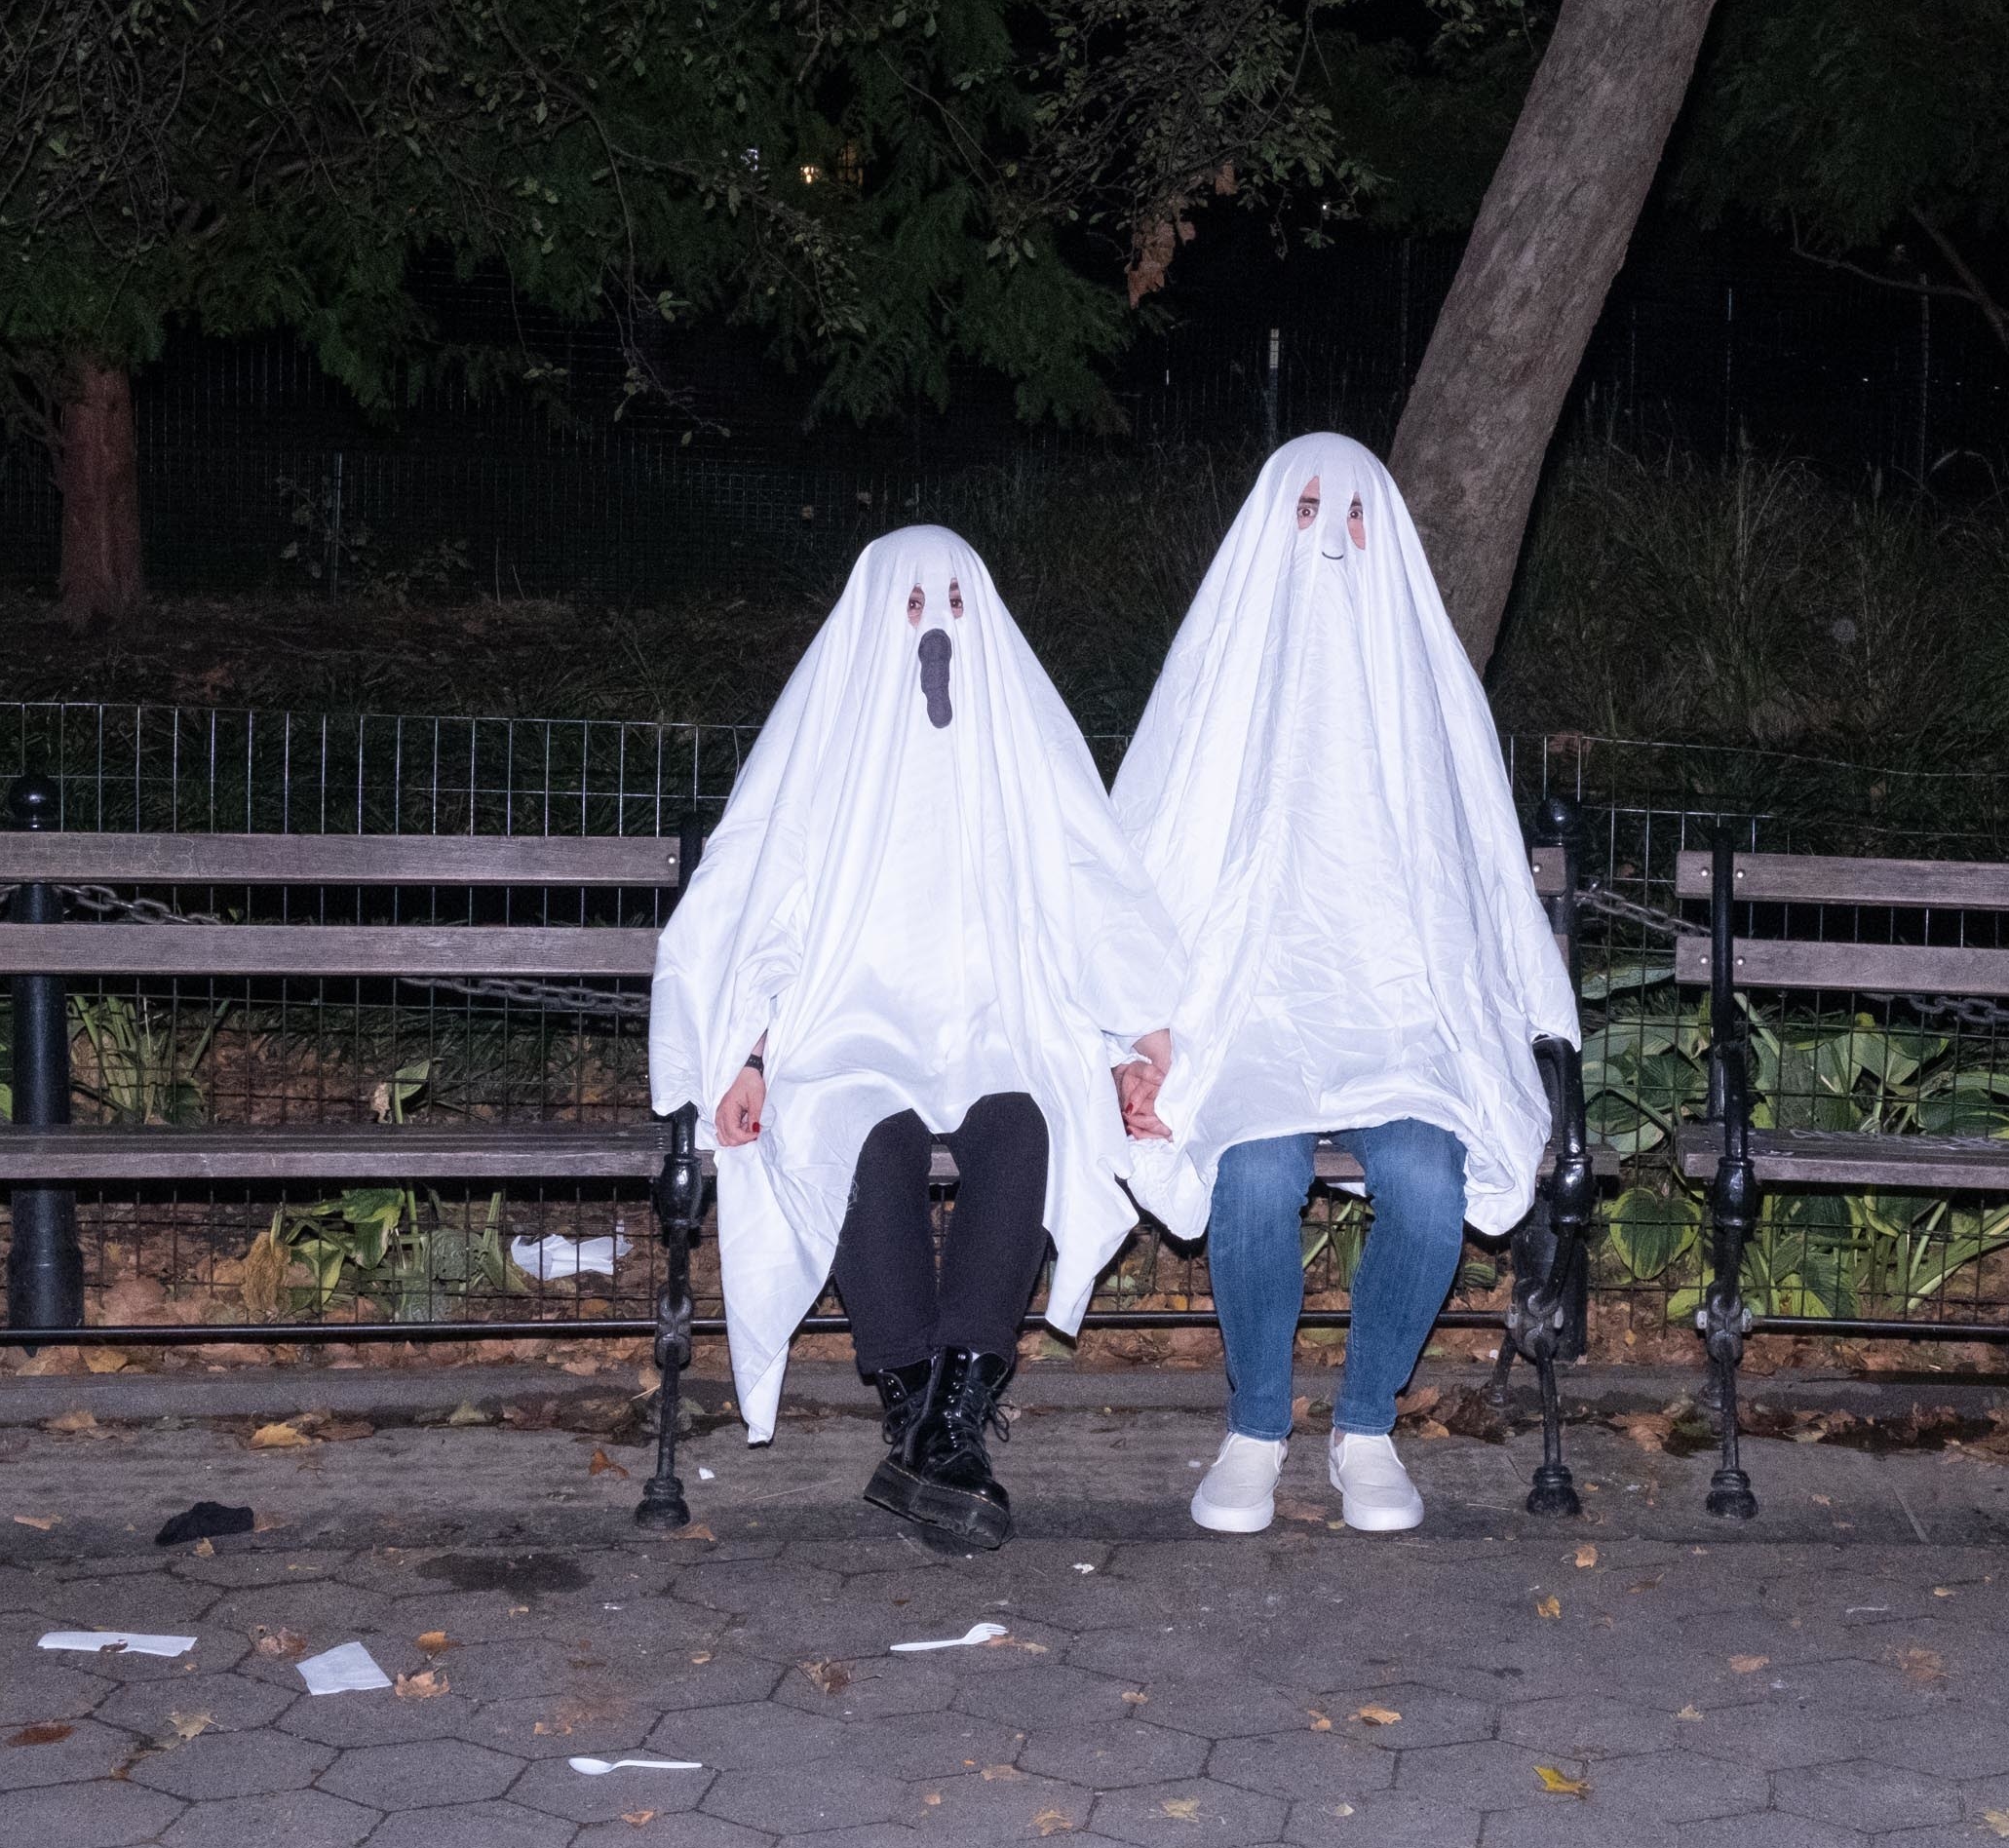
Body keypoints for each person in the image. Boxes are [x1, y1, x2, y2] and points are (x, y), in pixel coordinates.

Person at [650, 524, 1181, 1552]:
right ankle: (933, 1424)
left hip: (997, 1019)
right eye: (907, 607)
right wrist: (748, 1053)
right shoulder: (826, 745)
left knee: (1024, 1125)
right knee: (870, 1138)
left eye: (952, 606)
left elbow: (1087, 879)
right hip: (848, 1020)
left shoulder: (1017, 745)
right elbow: (764, 896)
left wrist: (1139, 1032)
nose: (932, 630)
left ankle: (943, 1419)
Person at [1111, 433, 1580, 1535]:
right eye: (1307, 507)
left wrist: (1505, 1019)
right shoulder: (1219, 685)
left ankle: (1365, 1424)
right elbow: (1150, 859)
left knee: (1426, 1181)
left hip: (1404, 1029)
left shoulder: (1426, 688)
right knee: (1256, 1175)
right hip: (1254, 1025)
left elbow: (1475, 880)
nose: (1329, 538)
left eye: (1354, 514)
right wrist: (1146, 1033)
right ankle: (1257, 1427)